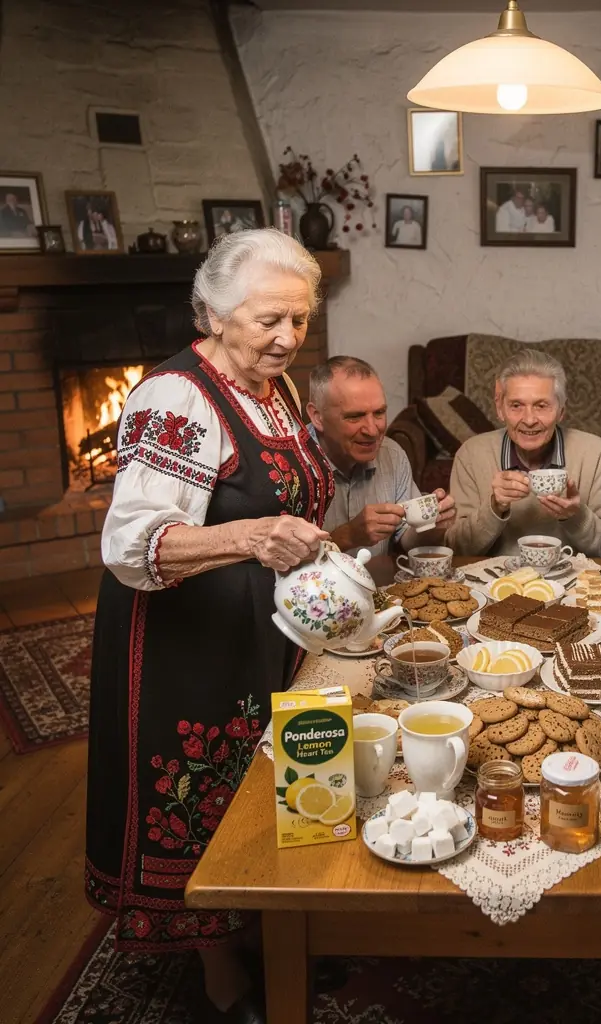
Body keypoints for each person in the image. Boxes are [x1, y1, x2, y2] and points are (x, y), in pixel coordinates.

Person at [86, 229, 334, 1021]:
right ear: (215, 312)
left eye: (298, 320)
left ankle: (266, 926)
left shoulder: (276, 387)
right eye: (270, 320)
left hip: (262, 628)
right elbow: (130, 544)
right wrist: (250, 537)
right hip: (185, 645)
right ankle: (219, 969)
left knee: (263, 782)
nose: (288, 338)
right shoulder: (175, 396)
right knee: (202, 792)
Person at [446, 349, 601, 557]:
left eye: (541, 406)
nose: (529, 419)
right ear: (500, 408)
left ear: (561, 411)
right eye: (516, 405)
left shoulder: (594, 452)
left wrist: (576, 516)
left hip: (576, 585)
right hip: (496, 585)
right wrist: (494, 508)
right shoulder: (471, 454)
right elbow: (455, 549)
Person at [306, 356, 455, 557]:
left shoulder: (392, 454)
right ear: (317, 417)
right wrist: (348, 536)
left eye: (379, 413)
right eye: (355, 416)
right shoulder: (288, 464)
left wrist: (432, 526)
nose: (372, 430)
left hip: (378, 585)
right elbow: (278, 566)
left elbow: (407, 541)